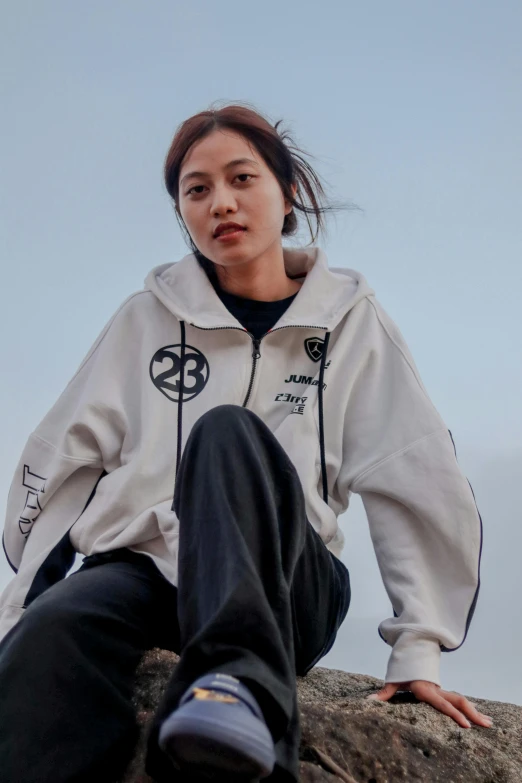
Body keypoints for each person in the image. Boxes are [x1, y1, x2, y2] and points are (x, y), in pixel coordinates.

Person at [0, 102, 490, 783]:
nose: (220, 203)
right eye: (196, 190)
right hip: (149, 570)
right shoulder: (145, 319)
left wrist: (419, 651)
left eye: (241, 178)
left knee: (226, 434)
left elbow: (415, 477)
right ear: (182, 212)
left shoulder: (351, 325)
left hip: (286, 580)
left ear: (286, 192)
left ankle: (239, 694)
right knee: (48, 640)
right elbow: (61, 462)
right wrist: (24, 607)